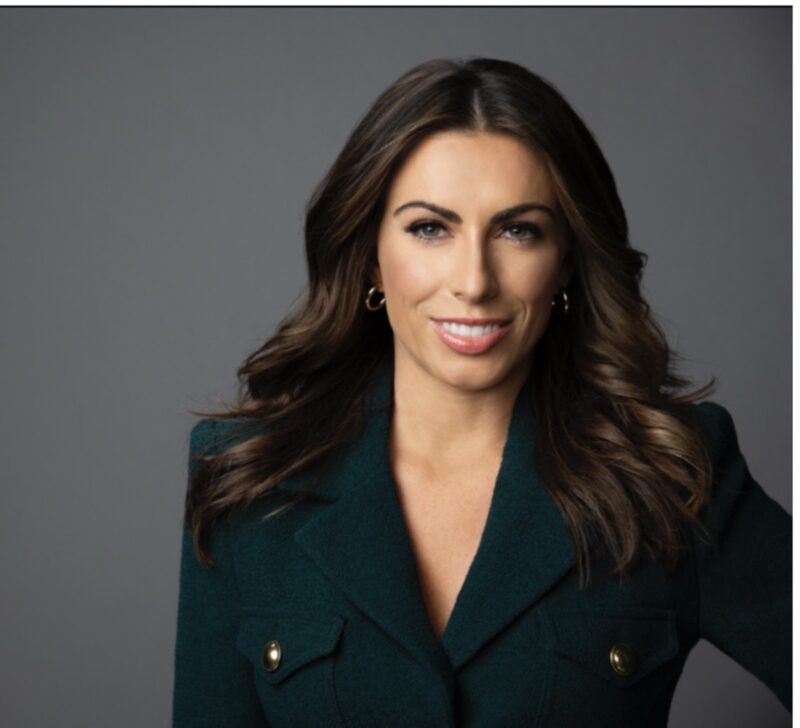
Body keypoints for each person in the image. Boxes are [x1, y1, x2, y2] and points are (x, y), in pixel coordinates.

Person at [171, 57, 791, 727]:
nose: (474, 280)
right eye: (430, 228)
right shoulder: (249, 481)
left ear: (565, 262)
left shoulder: (670, 476)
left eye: (517, 230)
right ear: (370, 255)